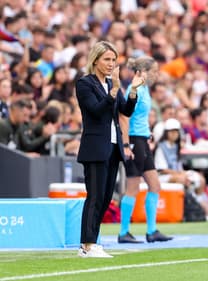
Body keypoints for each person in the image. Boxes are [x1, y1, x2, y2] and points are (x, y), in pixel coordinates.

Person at [75, 41, 143, 258]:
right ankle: (86, 245)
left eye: (113, 60)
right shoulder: (85, 84)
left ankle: (93, 241)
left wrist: (132, 91)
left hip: (113, 148)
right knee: (94, 196)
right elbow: (96, 111)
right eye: (107, 59)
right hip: (95, 148)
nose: (111, 64)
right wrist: (113, 90)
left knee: (105, 198)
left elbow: (125, 111)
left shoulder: (112, 85)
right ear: (95, 60)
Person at [118, 55, 173, 244]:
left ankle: (152, 231)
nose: (157, 74)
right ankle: (123, 232)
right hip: (134, 140)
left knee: (155, 185)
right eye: (154, 71)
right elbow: (124, 118)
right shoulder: (135, 91)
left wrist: (147, 134)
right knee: (132, 187)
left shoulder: (145, 89)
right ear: (142, 72)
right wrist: (126, 144)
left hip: (142, 139)